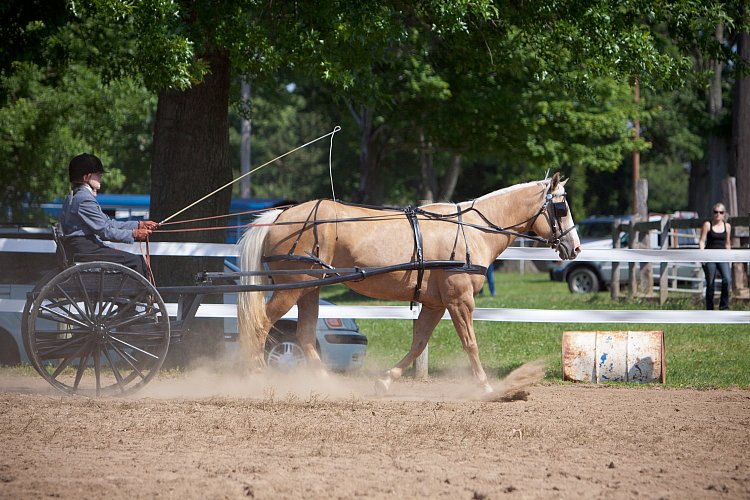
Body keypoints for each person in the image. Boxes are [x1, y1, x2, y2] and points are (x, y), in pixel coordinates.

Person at [59, 153, 158, 277]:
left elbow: (108, 223)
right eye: (97, 174)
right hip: (85, 248)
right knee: (135, 261)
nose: (100, 177)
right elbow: (105, 231)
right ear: (86, 177)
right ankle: (139, 295)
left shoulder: (75, 196)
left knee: (131, 259)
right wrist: (134, 234)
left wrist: (139, 224)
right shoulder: (84, 199)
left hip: (81, 247)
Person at [699, 202, 732, 310]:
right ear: (713, 213)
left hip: (722, 256)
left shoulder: (727, 226)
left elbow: (727, 243)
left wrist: (730, 258)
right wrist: (702, 255)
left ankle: (724, 307)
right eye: (716, 212)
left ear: (724, 214)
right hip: (710, 257)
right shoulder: (708, 225)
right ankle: (710, 308)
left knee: (727, 279)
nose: (718, 214)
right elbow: (702, 241)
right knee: (710, 283)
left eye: (720, 212)